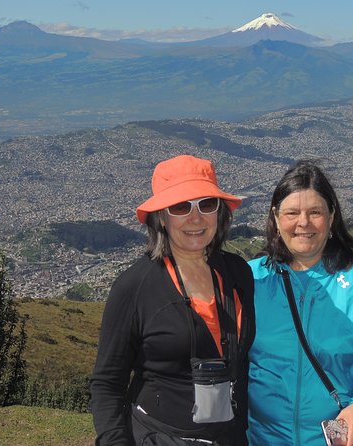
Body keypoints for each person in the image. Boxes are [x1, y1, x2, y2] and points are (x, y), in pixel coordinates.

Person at [90, 154, 255, 446]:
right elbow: (107, 382)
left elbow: (242, 364)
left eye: (206, 204)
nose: (196, 218)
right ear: (162, 218)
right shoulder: (134, 287)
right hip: (161, 436)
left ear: (220, 212)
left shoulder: (237, 273)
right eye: (181, 207)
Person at [247, 160, 353, 446]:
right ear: (275, 217)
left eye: (315, 212)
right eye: (292, 213)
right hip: (262, 439)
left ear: (331, 217)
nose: (303, 223)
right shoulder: (250, 280)